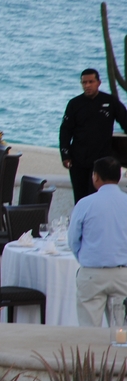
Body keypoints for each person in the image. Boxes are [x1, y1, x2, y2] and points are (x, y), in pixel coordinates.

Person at [67, 157, 127, 327]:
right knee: (122, 332)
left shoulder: (85, 203)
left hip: (92, 273)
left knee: (89, 331)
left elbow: (73, 239)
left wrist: (85, 258)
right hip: (123, 274)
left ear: (96, 177)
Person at [59, 68, 127, 202]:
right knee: (80, 198)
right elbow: (65, 130)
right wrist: (65, 155)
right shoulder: (74, 104)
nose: (87, 85)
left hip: (101, 160)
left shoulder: (110, 102)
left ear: (98, 83)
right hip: (78, 160)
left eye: (91, 82)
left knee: (98, 198)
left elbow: (125, 121)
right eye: (84, 83)